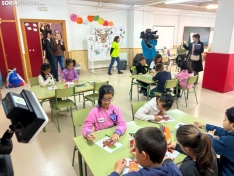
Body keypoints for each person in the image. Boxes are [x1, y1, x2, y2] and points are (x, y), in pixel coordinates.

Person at [109, 127, 182, 176]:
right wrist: (141, 153)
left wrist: (116, 171)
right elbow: (167, 159)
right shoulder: (173, 168)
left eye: (136, 149)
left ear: (144, 155)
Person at [194, 107, 234, 176]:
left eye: (225, 119)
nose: (223, 120)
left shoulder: (228, 142)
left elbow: (208, 143)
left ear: (233, 125)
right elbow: (223, 131)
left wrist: (209, 136)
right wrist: (205, 125)